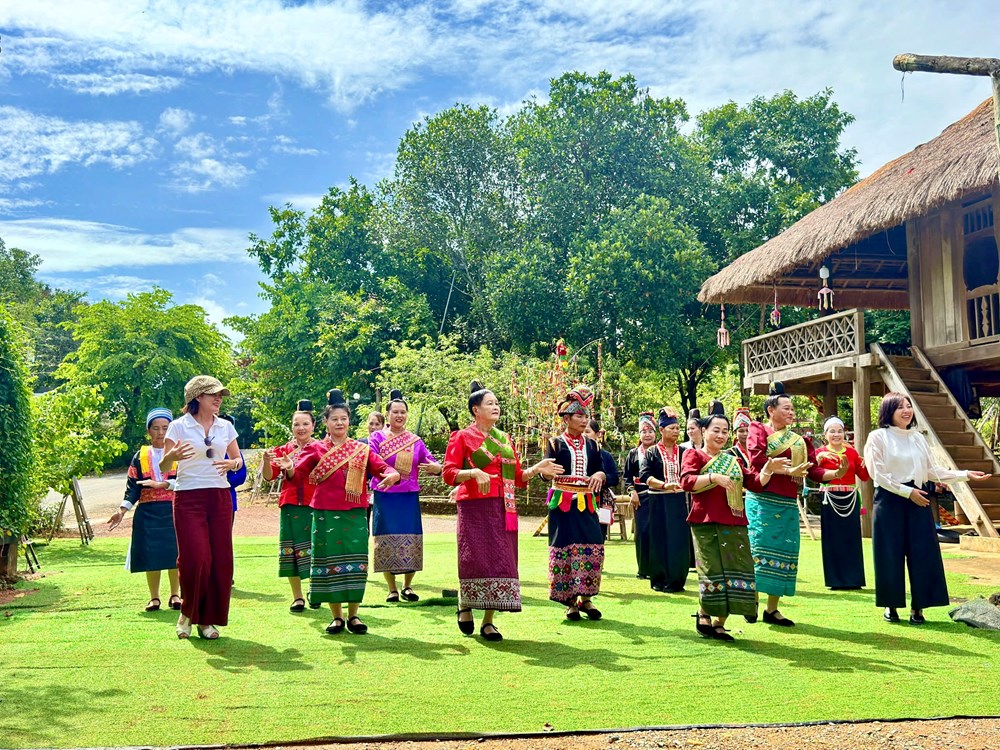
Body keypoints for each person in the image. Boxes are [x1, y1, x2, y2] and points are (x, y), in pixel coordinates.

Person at [442, 381, 559, 642]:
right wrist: (473, 472)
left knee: (500, 561)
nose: (496, 407)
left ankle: (488, 621)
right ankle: (464, 602)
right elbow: (448, 473)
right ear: (476, 409)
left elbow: (517, 477)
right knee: (474, 559)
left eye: (497, 403)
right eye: (490, 403)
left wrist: (536, 469)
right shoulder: (462, 437)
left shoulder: (504, 439)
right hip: (474, 507)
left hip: (503, 507)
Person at [864, 393, 989, 624]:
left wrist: (964, 475)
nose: (906, 411)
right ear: (888, 411)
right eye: (900, 407)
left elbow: (932, 471)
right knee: (889, 553)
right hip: (890, 499)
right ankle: (891, 605)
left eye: (908, 406)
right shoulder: (878, 437)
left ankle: (918, 607)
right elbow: (878, 474)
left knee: (923, 553)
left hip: (919, 498)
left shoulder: (917, 438)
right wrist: (907, 492)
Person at [296, 389, 400, 635]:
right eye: (334, 419)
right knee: (329, 562)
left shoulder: (361, 449)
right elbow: (297, 473)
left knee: (355, 561)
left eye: (343, 418)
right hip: (325, 514)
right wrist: (286, 465)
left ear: (349, 421)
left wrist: (393, 474)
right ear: (326, 422)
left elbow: (381, 467)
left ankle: (354, 615)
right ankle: (336, 617)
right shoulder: (315, 449)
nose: (339, 423)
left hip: (355, 514)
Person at [744, 382, 845, 627]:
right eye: (786, 408)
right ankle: (751, 601)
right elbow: (757, 461)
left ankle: (772, 609)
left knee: (784, 552)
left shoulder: (799, 440)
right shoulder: (758, 430)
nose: (791, 412)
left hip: (787, 502)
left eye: (792, 408)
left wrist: (836, 473)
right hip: (762, 500)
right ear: (771, 410)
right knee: (758, 551)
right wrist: (788, 470)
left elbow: (813, 470)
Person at [160, 376, 242, 640]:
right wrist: (171, 457)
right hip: (188, 498)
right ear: (197, 397)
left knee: (220, 561)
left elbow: (238, 459)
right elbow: (164, 466)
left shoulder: (226, 426)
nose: (218, 399)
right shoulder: (178, 426)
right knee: (196, 559)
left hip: (220, 497)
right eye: (212, 394)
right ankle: (187, 612)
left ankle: (207, 620)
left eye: (220, 395)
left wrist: (233, 464)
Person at [682, 405, 770, 641]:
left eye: (724, 431)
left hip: (734, 522)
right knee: (711, 570)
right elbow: (687, 482)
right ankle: (704, 612)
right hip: (705, 522)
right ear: (704, 431)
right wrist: (713, 477)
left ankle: (720, 622)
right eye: (716, 430)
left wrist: (769, 470)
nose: (720, 435)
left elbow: (755, 483)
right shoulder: (694, 455)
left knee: (737, 570)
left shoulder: (733, 460)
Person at [368, 389, 442, 603]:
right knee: (385, 538)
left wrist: (437, 468)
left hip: (408, 497)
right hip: (385, 496)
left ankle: (407, 586)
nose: (399, 415)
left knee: (412, 538)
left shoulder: (415, 441)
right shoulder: (376, 438)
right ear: (387, 415)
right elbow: (372, 462)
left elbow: (431, 462)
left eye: (403, 412)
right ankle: (391, 588)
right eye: (395, 412)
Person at [108, 407, 180, 612]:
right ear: (148, 431)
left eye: (165, 428)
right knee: (152, 555)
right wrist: (122, 510)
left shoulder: (179, 453)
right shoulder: (140, 456)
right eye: (155, 428)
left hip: (174, 510)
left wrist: (165, 485)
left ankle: (175, 595)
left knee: (175, 554)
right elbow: (133, 487)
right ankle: (154, 597)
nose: (160, 432)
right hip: (148, 513)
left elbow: (187, 480)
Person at [545, 387, 607, 621]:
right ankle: (570, 602)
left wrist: (599, 475)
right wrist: (545, 472)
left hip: (586, 504)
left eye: (586, 416)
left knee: (592, 544)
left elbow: (601, 470)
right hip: (562, 505)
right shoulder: (555, 443)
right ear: (566, 418)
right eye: (579, 416)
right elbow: (545, 471)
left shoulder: (593, 446)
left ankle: (586, 599)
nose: (584, 420)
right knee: (566, 548)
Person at [262, 400, 320, 613]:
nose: (301, 428)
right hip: (290, 505)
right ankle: (297, 597)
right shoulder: (284, 450)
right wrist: (266, 461)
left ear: (313, 426)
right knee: (292, 550)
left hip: (316, 504)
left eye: (305, 424)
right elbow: (269, 476)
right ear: (292, 426)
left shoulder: (322, 448)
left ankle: (315, 590)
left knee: (317, 549)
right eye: (297, 424)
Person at [815, 416, 870, 590]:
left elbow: (864, 476)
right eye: (832, 431)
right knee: (832, 539)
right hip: (829, 498)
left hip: (850, 498)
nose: (836, 434)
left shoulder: (852, 452)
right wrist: (819, 458)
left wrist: (868, 462)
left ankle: (854, 579)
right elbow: (813, 472)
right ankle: (835, 580)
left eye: (840, 431)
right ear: (825, 434)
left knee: (851, 538)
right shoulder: (820, 453)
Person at [639, 407, 690, 593]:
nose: (676, 431)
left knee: (678, 539)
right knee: (659, 538)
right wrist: (664, 485)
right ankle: (659, 579)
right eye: (672, 428)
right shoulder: (651, 452)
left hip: (679, 501)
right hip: (658, 500)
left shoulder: (684, 452)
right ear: (661, 430)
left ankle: (677, 580)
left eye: (677, 428)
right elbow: (645, 476)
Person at [623, 411, 656, 579]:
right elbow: (627, 477)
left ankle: (659, 569)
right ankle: (644, 569)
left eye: (650, 431)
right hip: (640, 497)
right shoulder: (633, 453)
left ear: (656, 433)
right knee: (642, 532)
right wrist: (632, 491)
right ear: (639, 434)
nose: (647, 434)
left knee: (659, 532)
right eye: (644, 431)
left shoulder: (660, 452)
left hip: (659, 495)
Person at [584, 418, 620, 540]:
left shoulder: (605, 455)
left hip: (600, 502)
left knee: (598, 539)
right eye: (581, 431)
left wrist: (602, 478)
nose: (584, 435)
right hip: (578, 501)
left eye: (587, 431)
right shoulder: (572, 454)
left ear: (598, 434)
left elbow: (615, 478)